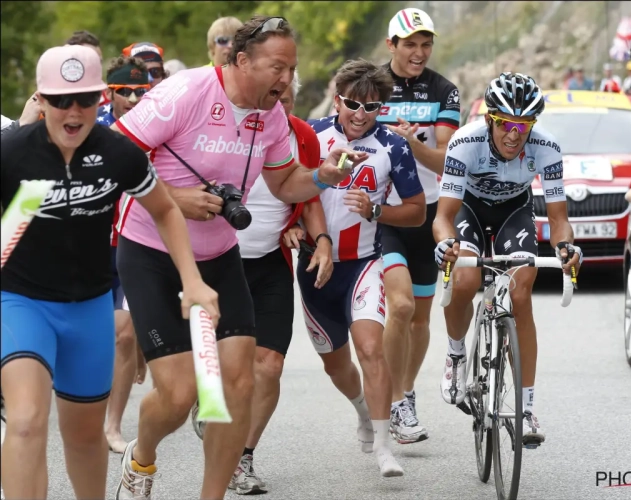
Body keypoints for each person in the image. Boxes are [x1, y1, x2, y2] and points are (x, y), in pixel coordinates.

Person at [110, 16, 366, 500]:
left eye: (291, 69)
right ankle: (140, 457)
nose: (286, 80)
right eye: (277, 67)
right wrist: (174, 197)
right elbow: (113, 155)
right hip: (151, 251)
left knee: (238, 387)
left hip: (220, 254)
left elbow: (285, 183)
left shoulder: (270, 117)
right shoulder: (185, 93)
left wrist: (323, 178)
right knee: (181, 393)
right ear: (241, 60)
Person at [0, 44, 218, 500]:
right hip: (21, 303)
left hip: (89, 308)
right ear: (40, 100)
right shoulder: (11, 153)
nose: (72, 111)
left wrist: (193, 280)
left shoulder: (118, 152)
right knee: (24, 422)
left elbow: (165, 211)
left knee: (83, 435)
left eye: (84, 99)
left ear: (102, 97)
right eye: (60, 99)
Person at [189, 70, 332, 495]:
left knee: (269, 366)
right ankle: (206, 400)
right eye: (274, 96)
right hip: (217, 260)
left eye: (287, 100)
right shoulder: (226, 127)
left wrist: (319, 238)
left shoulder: (302, 136)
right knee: (222, 369)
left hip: (270, 260)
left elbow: (306, 196)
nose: (279, 106)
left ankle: (242, 456)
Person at [432, 72, 582, 447]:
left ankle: (527, 409)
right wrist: (445, 244)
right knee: (465, 281)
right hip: (468, 209)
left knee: (520, 292)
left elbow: (560, 220)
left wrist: (567, 249)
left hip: (515, 210)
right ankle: (455, 355)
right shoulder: (465, 142)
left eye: (524, 125)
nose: (515, 135)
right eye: (506, 125)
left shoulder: (547, 147)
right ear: (490, 120)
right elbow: (443, 216)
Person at [305, 58, 426, 477]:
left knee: (371, 349)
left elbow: (416, 211)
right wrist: (289, 229)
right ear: (337, 99)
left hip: (364, 264)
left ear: (382, 109)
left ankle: (384, 449)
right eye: (352, 104)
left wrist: (377, 210)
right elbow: (286, 189)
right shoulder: (311, 134)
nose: (360, 115)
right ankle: (361, 410)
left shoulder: (393, 145)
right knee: (336, 364)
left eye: (371, 107)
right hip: (314, 268)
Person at [376, 7, 461, 444]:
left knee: (421, 318)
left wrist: (412, 143)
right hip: (386, 213)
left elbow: (448, 159)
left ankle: (405, 396)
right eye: (410, 44)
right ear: (392, 45)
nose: (419, 52)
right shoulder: (371, 86)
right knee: (402, 306)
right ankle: (390, 400)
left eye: (425, 44)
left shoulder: (444, 91)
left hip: (429, 213)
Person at [94, 56, 152, 453]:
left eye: (139, 91)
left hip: (134, 242)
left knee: (125, 333)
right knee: (95, 335)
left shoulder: (158, 128)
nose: (132, 99)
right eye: (124, 92)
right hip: (92, 246)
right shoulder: (89, 127)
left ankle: (112, 427)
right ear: (109, 94)